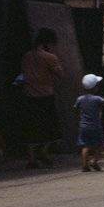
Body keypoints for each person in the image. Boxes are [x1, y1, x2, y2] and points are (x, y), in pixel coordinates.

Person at [20, 28, 64, 168]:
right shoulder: (50, 58)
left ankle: (32, 158)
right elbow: (60, 74)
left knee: (32, 127)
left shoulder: (27, 56)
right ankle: (44, 153)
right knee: (49, 127)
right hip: (45, 96)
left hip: (29, 96)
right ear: (48, 43)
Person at [74, 74, 104, 172]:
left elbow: (75, 108)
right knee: (99, 144)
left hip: (83, 126)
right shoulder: (98, 99)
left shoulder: (80, 99)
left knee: (85, 145)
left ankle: (85, 164)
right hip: (95, 126)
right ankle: (94, 161)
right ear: (95, 87)